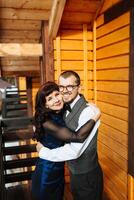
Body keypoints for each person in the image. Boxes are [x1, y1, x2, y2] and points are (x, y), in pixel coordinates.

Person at [37, 71, 103, 200]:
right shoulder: (63, 106)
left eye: (70, 87)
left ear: (79, 87)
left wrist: (43, 152)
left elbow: (74, 151)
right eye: (61, 87)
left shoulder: (88, 112)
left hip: (86, 175)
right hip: (73, 172)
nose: (65, 91)